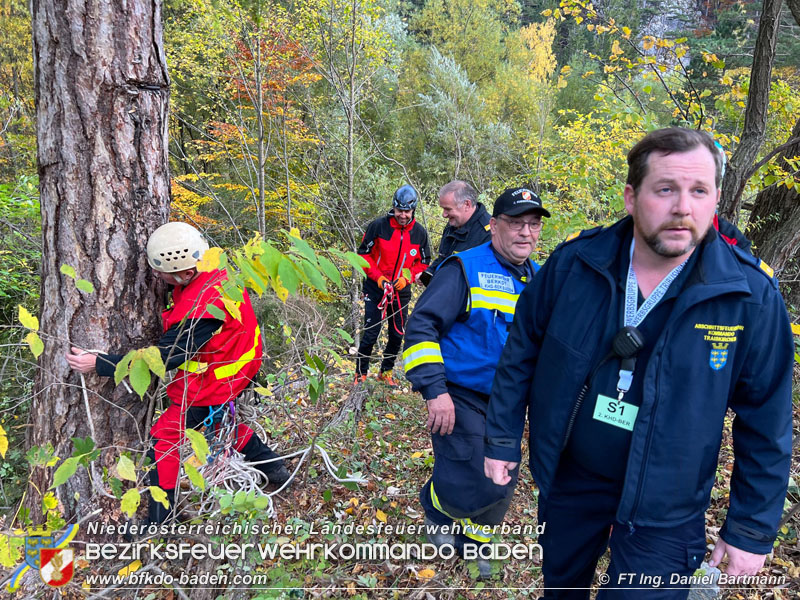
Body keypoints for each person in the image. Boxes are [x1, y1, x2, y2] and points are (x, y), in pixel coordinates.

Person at [483, 128, 793, 598]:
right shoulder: (574, 265)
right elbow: (520, 351)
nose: (683, 207)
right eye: (665, 189)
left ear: (717, 199)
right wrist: (502, 438)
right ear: (631, 197)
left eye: (699, 191)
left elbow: (767, 421)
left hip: (667, 511)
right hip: (571, 484)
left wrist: (750, 528)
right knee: (560, 589)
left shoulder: (749, 299)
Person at [66, 222, 290, 524]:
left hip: (216, 381)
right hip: (233, 368)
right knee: (218, 424)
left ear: (186, 273)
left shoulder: (203, 311)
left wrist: (101, 363)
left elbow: (166, 357)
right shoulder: (215, 270)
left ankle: (162, 520)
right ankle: (274, 467)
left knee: (164, 439)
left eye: (161, 273)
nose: (155, 277)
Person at [403, 187, 550, 577]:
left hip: (510, 403)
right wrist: (435, 391)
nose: (526, 233)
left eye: (533, 225)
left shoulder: (538, 279)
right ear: (493, 225)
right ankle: (435, 504)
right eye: (516, 223)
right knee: (481, 474)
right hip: (461, 395)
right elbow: (420, 327)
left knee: (505, 476)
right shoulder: (464, 268)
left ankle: (475, 542)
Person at [355, 185, 431, 385]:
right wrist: (378, 277)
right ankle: (360, 374)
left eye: (407, 211)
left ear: (413, 210)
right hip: (376, 286)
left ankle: (386, 372)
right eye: (399, 211)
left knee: (397, 334)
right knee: (371, 332)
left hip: (400, 290)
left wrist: (407, 278)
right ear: (394, 208)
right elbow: (363, 256)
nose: (403, 215)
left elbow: (423, 263)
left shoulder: (420, 233)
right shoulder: (378, 226)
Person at [419, 180, 491, 286]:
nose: (444, 215)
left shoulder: (489, 234)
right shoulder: (453, 224)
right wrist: (429, 273)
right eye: (443, 209)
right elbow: (444, 258)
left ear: (467, 204)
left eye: (448, 209)